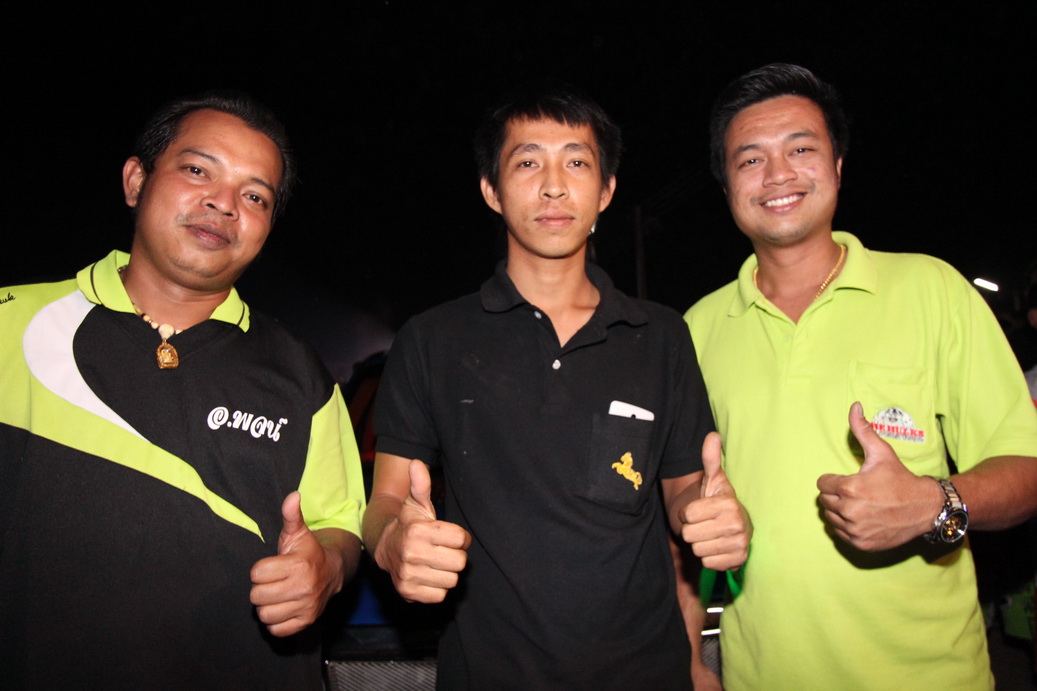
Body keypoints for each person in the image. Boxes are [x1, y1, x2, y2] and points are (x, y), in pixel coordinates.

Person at [362, 82, 751, 689]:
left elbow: (682, 489)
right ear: (491, 190)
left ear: (606, 190)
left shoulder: (660, 336)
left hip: (646, 672)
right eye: (527, 163)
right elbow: (386, 499)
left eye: (576, 162)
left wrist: (709, 511)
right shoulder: (432, 338)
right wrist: (392, 540)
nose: (553, 186)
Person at [685, 63, 1037, 690]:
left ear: (839, 166)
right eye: (750, 159)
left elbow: (1027, 467)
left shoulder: (932, 289)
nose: (778, 174)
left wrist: (935, 503)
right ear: (727, 185)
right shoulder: (695, 330)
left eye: (801, 149)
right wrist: (690, 657)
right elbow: (686, 510)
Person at [0, 92, 366, 689]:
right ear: (136, 180)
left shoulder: (302, 372)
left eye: (255, 196)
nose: (224, 204)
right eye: (198, 170)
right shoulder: (11, 324)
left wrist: (324, 568)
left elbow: (339, 523)